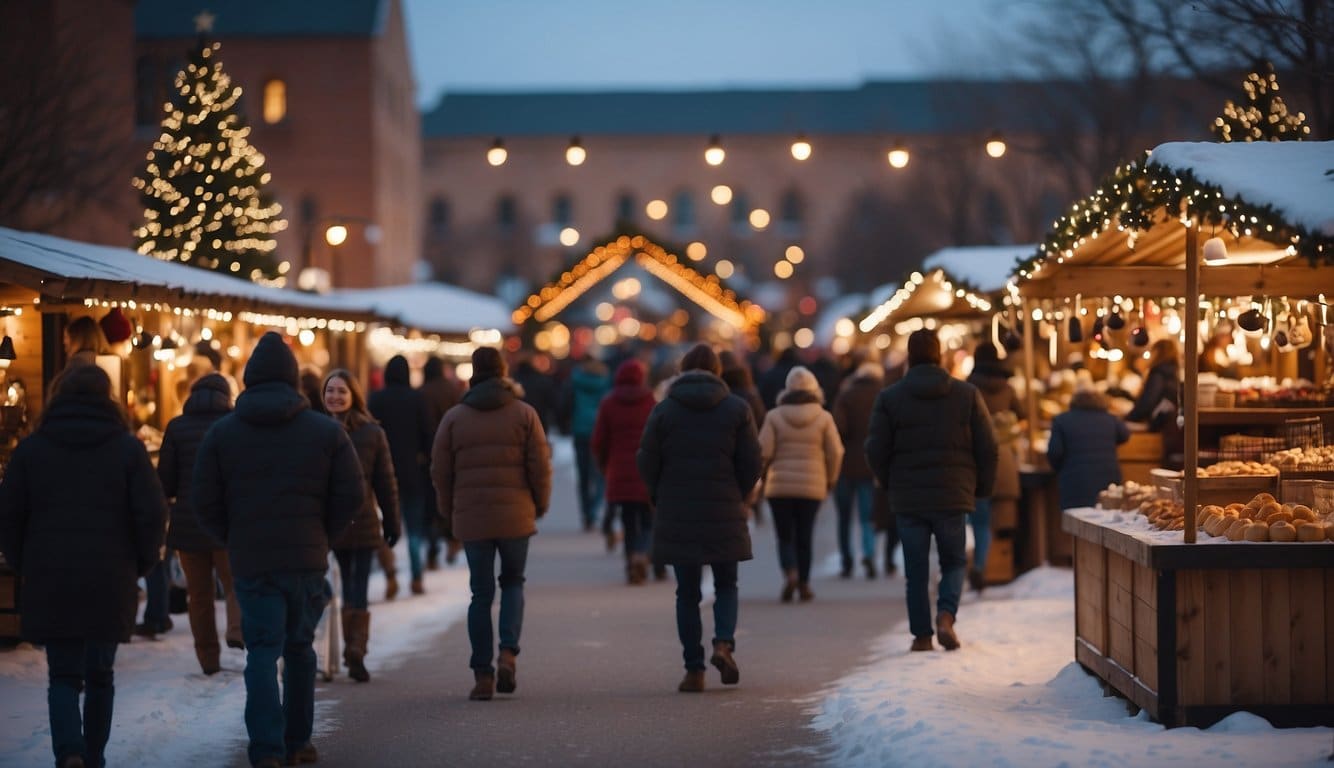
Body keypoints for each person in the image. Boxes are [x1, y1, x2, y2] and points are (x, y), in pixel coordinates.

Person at [194, 332, 362, 768]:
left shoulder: (222, 433)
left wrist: (230, 537)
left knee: (262, 652)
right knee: (300, 649)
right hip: (305, 559)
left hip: (251, 561)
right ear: (293, 379)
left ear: (249, 378)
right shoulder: (326, 432)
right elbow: (351, 495)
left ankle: (266, 748)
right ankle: (298, 741)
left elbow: (203, 500)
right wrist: (324, 533)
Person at [0, 365, 167, 768]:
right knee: (100, 676)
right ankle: (92, 755)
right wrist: (141, 563)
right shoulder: (127, 449)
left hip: (50, 574)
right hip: (111, 577)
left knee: (62, 676)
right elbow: (152, 513)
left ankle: (69, 752)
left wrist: (24, 563)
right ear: (106, 397)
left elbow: (8, 516)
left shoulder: (31, 450)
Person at [637, 344, 762, 692]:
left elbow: (647, 459)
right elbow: (753, 461)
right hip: (724, 507)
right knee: (726, 584)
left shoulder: (664, 411)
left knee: (687, 592)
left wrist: (659, 494)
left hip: (678, 510)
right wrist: (738, 493)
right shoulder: (737, 409)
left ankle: (693, 668)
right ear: (718, 371)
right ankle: (723, 643)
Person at [865, 329, 997, 653]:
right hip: (953, 494)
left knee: (916, 570)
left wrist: (887, 480)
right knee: (953, 562)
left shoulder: (890, 397)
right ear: (940, 354)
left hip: (908, 497)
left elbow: (874, 449)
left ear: (909, 356)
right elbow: (989, 446)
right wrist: (980, 487)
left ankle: (922, 636)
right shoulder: (966, 394)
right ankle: (947, 616)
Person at [431, 347, 551, 701]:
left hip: (472, 516)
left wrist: (449, 510)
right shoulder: (524, 414)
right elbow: (540, 467)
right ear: (503, 372)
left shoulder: (455, 417)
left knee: (480, 594)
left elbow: (440, 471)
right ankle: (508, 652)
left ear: (473, 373)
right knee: (513, 582)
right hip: (516, 515)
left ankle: (482, 673)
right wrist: (538, 505)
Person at [157, 372, 244, 675]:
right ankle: (237, 630)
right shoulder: (235, 426)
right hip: (226, 523)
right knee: (236, 584)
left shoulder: (177, 427)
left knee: (199, 594)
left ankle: (208, 657)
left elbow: (164, 482)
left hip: (188, 524)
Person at [323, 369, 402, 683]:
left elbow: (386, 481)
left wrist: (392, 520)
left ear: (354, 394)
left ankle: (354, 647)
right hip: (333, 522)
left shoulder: (371, 432)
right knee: (353, 586)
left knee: (355, 585)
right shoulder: (317, 429)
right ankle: (355, 647)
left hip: (360, 519)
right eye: (330, 391)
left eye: (342, 391)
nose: (335, 397)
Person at [759, 366, 844, 603]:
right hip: (812, 486)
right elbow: (835, 451)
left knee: (784, 535)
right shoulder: (823, 417)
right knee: (805, 535)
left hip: (779, 487)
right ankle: (805, 582)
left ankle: (790, 572)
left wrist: (763, 477)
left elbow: (763, 452)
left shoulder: (774, 416)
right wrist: (831, 479)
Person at [368, 355, 434, 595]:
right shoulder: (417, 399)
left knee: (385, 526)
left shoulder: (376, 399)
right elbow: (428, 436)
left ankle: (390, 574)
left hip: (381, 473)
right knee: (414, 528)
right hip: (412, 472)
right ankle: (416, 576)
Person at [965, 343, 1025, 592]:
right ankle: (995, 568)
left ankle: (979, 564)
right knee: (1001, 521)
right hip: (1005, 459)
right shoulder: (1008, 387)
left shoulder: (968, 388)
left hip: (977, 459)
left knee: (979, 518)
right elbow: (1022, 415)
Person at [591, 359, 656, 584]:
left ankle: (630, 561)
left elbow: (599, 440)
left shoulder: (609, 403)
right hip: (646, 470)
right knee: (648, 520)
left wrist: (604, 465)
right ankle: (641, 553)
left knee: (628, 521)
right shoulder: (650, 402)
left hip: (619, 469)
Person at [832, 361, 883, 579]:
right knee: (866, 514)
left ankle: (846, 559)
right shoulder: (882, 396)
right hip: (870, 464)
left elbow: (838, 428)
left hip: (845, 465)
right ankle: (869, 553)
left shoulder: (845, 395)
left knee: (844, 516)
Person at [1048, 381, 1130, 510]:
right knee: (1107, 521)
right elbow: (1125, 435)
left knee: (1077, 524)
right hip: (1108, 481)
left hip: (1074, 482)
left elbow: (1055, 452)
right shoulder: (1110, 419)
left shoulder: (1061, 420)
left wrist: (1061, 469)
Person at [419, 356, 462, 570]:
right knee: (450, 500)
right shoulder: (453, 391)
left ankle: (432, 549)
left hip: (428, 457)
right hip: (453, 454)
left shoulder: (422, 393)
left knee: (431, 505)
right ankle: (453, 540)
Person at [561, 353, 610, 533]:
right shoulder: (605, 380)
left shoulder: (574, 380)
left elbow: (565, 404)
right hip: (599, 431)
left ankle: (586, 512)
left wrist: (564, 424)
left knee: (583, 475)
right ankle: (594, 509)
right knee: (599, 474)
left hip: (580, 431)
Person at [719, 351, 767, 524]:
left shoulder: (719, 395)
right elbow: (761, 419)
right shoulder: (749, 393)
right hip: (749, 447)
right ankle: (754, 505)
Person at [1127, 338, 1182, 467]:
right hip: (1172, 427)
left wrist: (1129, 418)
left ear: (1158, 352)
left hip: (1158, 426)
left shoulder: (1158, 373)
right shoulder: (1173, 373)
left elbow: (1147, 401)